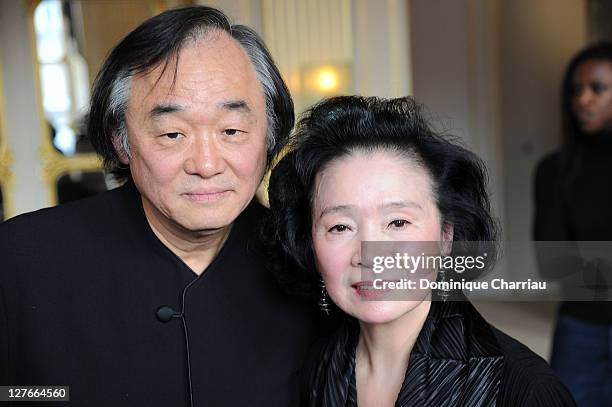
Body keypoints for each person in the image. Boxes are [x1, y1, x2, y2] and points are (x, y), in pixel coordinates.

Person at [0, 6, 319, 406]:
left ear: (268, 135)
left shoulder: (309, 257)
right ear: (121, 140)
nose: (206, 164)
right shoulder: (21, 257)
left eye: (232, 131)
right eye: (173, 134)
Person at [267, 96, 576, 406]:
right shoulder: (313, 368)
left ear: (445, 236)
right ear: (310, 242)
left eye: (398, 222)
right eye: (340, 227)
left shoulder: (525, 390)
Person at [534, 43, 612, 406]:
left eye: (597, 88)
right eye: (575, 90)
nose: (583, 99)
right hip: (582, 325)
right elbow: (553, 262)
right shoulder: (554, 171)